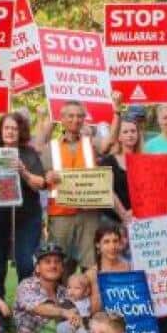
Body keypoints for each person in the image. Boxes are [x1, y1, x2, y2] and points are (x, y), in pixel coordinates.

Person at [0, 112, 47, 298]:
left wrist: (24, 172)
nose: (10, 132)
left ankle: (26, 312)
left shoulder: (29, 153)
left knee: (26, 265)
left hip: (26, 219)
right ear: (0, 130)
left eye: (14, 128)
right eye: (7, 128)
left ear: (21, 131)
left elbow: (40, 183)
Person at [41, 102, 102, 273]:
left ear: (84, 119)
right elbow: (42, 178)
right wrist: (47, 177)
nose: (76, 120)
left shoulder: (93, 143)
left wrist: (118, 112)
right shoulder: (51, 147)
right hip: (61, 213)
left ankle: (90, 299)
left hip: (88, 212)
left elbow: (110, 143)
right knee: (59, 262)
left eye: (80, 116)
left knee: (91, 263)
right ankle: (61, 299)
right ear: (62, 119)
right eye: (71, 116)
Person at [13, 242, 80, 333]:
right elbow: (35, 307)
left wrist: (76, 314)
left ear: (62, 268)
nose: (53, 266)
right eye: (47, 262)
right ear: (37, 268)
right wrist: (64, 312)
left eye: (57, 262)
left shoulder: (64, 291)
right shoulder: (27, 285)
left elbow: (75, 315)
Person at [101, 114, 143, 223]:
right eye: (125, 132)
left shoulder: (145, 160)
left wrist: (135, 211)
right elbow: (107, 190)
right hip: (113, 220)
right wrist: (124, 214)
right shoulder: (108, 161)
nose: (130, 135)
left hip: (140, 219)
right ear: (118, 137)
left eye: (133, 131)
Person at [86, 224, 133, 313]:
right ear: (97, 245)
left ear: (120, 243)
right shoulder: (91, 274)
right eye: (106, 242)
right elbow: (92, 311)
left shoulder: (130, 268)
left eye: (115, 241)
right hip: (104, 322)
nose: (112, 247)